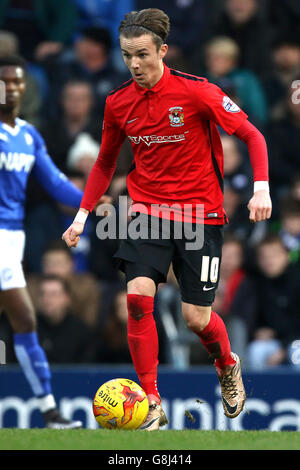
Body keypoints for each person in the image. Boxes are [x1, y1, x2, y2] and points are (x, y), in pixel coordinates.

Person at [62, 8, 272, 430]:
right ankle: (151, 401)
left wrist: (261, 188)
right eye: (126, 56)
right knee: (138, 299)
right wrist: (83, 214)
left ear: (163, 50)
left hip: (201, 215)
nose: (134, 64)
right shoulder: (118, 102)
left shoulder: (198, 92)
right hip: (147, 212)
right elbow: (104, 161)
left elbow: (252, 134)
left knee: (196, 319)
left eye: (142, 54)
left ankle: (227, 364)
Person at [0, 55, 84, 429]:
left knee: (23, 320)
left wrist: (91, 199)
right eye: (4, 82)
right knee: (25, 319)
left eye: (17, 81)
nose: (12, 88)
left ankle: (50, 412)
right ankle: (50, 410)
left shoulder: (28, 135)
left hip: (12, 239)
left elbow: (53, 182)